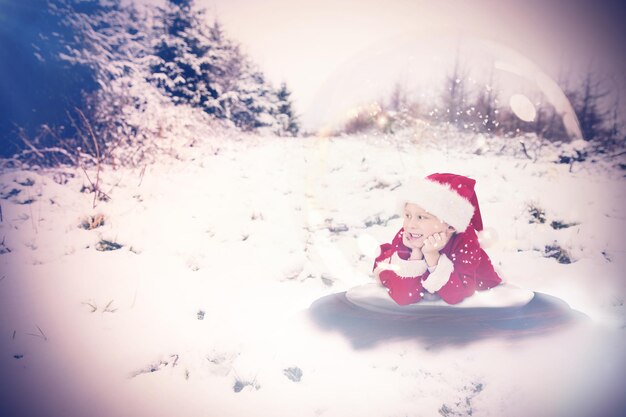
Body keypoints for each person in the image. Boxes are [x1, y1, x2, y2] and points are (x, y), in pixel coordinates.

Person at [373, 173, 502, 305]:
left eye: (421, 217)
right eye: (407, 215)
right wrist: (414, 256)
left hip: (468, 273)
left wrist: (432, 256)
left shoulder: (466, 241)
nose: (410, 224)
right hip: (413, 265)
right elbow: (403, 296)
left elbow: (457, 295)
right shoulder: (406, 236)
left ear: (450, 225)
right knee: (389, 273)